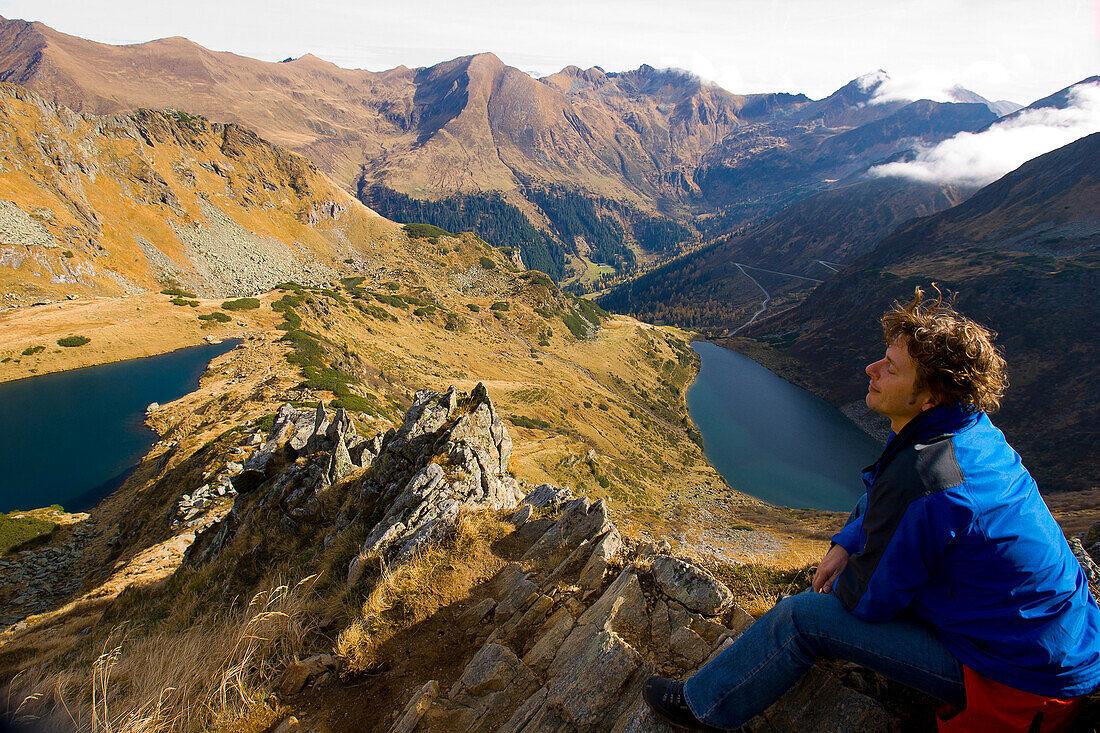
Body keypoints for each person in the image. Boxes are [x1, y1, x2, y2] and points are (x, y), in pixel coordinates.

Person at [643, 287, 1100, 732]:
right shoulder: (968, 432)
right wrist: (847, 540)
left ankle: (704, 707)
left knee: (802, 617)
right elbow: (891, 497)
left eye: (892, 368)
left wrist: (847, 575)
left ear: (929, 397)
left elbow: (866, 601)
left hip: (1018, 683)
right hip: (1059, 644)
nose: (872, 368)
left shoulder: (925, 476)